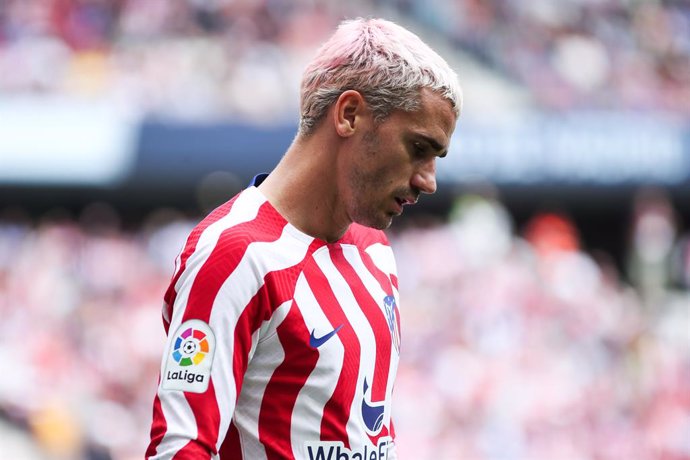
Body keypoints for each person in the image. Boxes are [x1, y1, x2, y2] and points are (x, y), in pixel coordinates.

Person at [146, 17, 461, 459]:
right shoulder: (235, 254)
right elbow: (180, 448)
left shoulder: (375, 250)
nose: (429, 181)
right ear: (350, 115)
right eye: (419, 148)